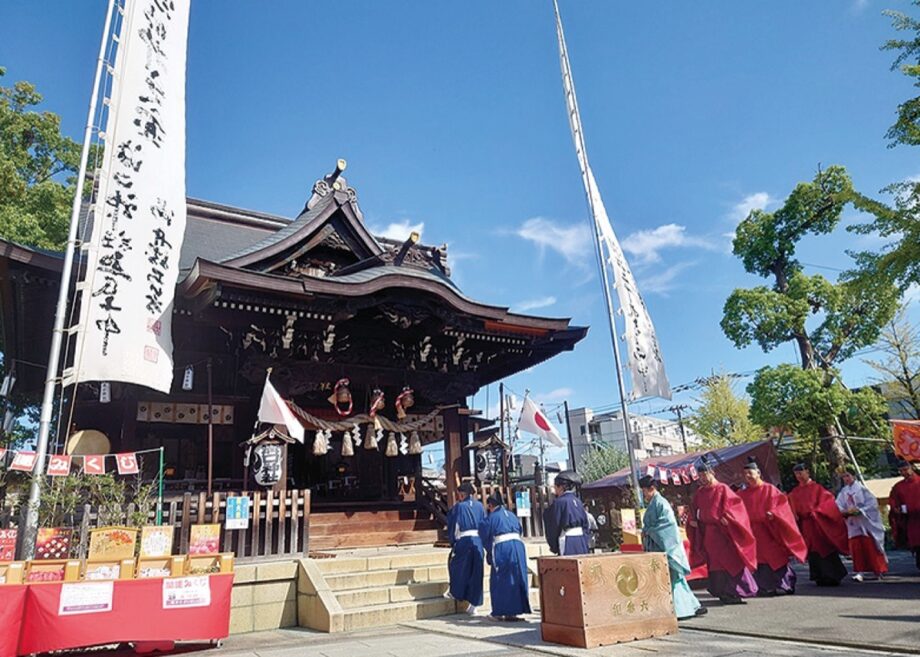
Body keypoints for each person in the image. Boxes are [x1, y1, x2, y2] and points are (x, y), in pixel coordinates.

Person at [687, 462, 759, 603]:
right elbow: (694, 511)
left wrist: (729, 519)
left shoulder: (723, 489)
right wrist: (693, 520)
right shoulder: (700, 493)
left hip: (723, 533)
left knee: (730, 562)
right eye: (700, 475)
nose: (702, 477)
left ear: (712, 473)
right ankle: (722, 592)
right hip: (709, 534)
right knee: (715, 565)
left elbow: (736, 508)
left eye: (704, 474)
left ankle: (736, 591)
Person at [639, 475, 706, 619]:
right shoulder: (654, 503)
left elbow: (667, 526)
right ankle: (690, 606)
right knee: (669, 580)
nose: (643, 494)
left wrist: (649, 530)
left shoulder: (661, 503)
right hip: (656, 546)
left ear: (651, 489)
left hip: (664, 547)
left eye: (644, 491)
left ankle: (682, 609)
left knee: (673, 579)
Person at [738, 459, 807, 596]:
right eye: (745, 474)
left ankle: (786, 584)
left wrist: (773, 513)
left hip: (770, 530)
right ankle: (765, 586)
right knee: (761, 561)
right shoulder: (742, 494)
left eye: (750, 473)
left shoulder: (769, 489)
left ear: (758, 473)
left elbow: (782, 506)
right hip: (754, 531)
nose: (748, 476)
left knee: (775, 557)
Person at [787, 463, 849, 586]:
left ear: (807, 472)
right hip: (806, 525)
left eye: (801, 472)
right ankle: (819, 576)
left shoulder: (817, 488)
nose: (799, 476)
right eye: (796, 474)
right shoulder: (795, 492)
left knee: (824, 548)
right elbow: (792, 507)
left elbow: (828, 503)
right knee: (813, 551)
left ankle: (833, 575)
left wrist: (817, 512)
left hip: (819, 524)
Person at [479, 491, 531, 621]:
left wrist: (490, 552)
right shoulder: (512, 515)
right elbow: (520, 529)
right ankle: (514, 611)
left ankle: (499, 611)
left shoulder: (492, 517)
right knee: (517, 576)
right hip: (518, 546)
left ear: (491, 505)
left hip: (503, 547)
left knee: (500, 578)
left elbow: (484, 534)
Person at [836, 468, 888, 581]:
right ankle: (860, 571)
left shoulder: (862, 489)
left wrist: (861, 511)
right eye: (844, 477)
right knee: (856, 547)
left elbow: (872, 503)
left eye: (848, 476)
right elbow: (838, 505)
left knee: (870, 545)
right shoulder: (843, 492)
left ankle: (878, 570)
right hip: (852, 523)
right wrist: (844, 512)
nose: (846, 479)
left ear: (854, 476)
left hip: (865, 521)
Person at [444, 481, 486, 614]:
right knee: (476, 572)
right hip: (478, 540)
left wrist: (453, 540)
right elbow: (485, 525)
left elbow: (454, 524)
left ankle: (456, 592)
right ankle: (474, 605)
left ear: (462, 494)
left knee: (457, 567)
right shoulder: (480, 506)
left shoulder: (459, 507)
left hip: (464, 540)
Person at [543, 470, 590, 555]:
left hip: (567, 539)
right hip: (581, 539)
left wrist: (553, 546)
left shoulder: (559, 502)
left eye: (555, 487)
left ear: (561, 487)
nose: (555, 489)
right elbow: (586, 524)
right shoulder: (578, 501)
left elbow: (554, 525)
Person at [889, 460, 920, 571]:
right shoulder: (898, 486)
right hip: (911, 521)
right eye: (901, 471)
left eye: (905, 469)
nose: (903, 472)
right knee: (917, 545)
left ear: (911, 468)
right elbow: (893, 501)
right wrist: (896, 508)